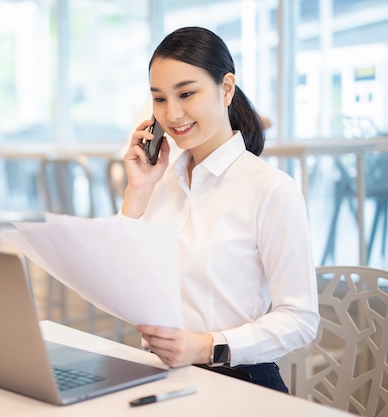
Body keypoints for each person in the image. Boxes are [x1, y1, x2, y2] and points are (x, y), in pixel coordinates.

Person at [121, 26, 319, 393]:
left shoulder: (271, 189)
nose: (173, 113)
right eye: (159, 99)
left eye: (186, 94)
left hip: (239, 382)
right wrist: (138, 190)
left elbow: (301, 319)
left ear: (225, 89)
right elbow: (121, 284)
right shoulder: (160, 182)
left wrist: (205, 346)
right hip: (163, 377)